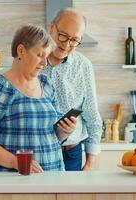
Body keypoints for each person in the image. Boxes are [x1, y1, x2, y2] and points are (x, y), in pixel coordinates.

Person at [0, 25, 77, 172]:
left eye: (46, 56)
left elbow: (53, 135)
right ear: (21, 51)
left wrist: (66, 130)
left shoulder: (46, 84)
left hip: (53, 174)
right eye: (39, 55)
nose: (44, 63)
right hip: (16, 181)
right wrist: (17, 162)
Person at [41, 8, 103, 171]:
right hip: (37, 153)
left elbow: (92, 114)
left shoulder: (83, 66)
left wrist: (89, 163)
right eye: (63, 35)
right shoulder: (33, 61)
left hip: (71, 154)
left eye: (74, 40)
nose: (67, 44)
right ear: (52, 27)